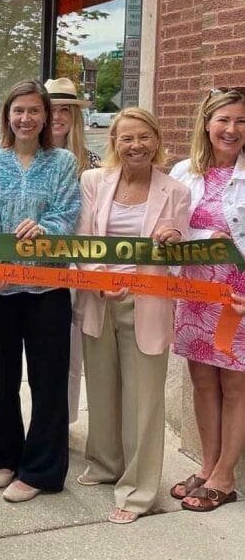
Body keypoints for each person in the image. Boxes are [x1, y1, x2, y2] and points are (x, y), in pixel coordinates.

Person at [73, 107, 190, 524]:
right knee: (102, 389)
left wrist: (176, 237)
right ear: (114, 143)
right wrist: (98, 277)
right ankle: (105, 464)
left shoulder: (175, 192)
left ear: (156, 140)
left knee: (143, 401)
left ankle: (139, 491)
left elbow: (180, 252)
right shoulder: (93, 182)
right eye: (126, 138)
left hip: (149, 303)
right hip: (100, 297)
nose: (135, 145)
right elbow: (83, 240)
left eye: (143, 137)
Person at [0, 79, 80, 503]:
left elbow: (68, 213)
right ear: (7, 116)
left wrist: (45, 229)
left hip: (47, 287)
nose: (26, 118)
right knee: (3, 377)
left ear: (47, 117)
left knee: (48, 380)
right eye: (19, 110)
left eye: (35, 110)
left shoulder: (64, 162)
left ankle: (42, 470)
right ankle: (3, 454)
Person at [169, 87, 245, 512]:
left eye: (241, 121)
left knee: (235, 385)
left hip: (238, 296)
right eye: (224, 120)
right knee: (201, 380)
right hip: (195, 295)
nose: (232, 129)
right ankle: (209, 463)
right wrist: (200, 238)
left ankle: (225, 474)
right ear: (206, 122)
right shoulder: (184, 172)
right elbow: (169, 231)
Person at [44, 77, 100, 424]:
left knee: (71, 350)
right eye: (51, 109)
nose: (58, 117)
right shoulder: (32, 156)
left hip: (80, 265)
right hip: (41, 264)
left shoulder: (91, 162)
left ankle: (61, 421)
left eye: (66, 110)